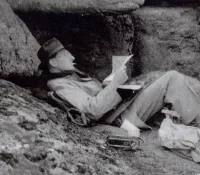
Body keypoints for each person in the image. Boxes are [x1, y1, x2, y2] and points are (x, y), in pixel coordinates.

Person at [37, 38, 200, 137]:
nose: (72, 56)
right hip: (120, 115)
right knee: (172, 78)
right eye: (66, 55)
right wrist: (115, 84)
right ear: (53, 62)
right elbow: (92, 109)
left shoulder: (68, 75)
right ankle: (195, 125)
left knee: (169, 79)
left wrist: (111, 82)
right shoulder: (59, 84)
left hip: (121, 106)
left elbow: (97, 94)